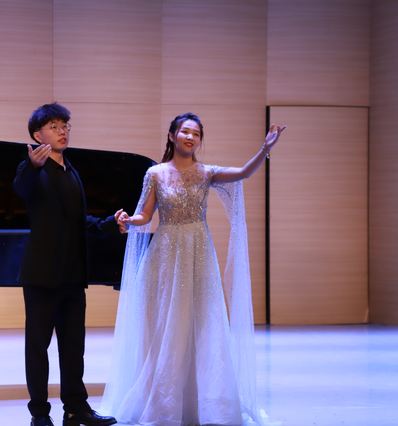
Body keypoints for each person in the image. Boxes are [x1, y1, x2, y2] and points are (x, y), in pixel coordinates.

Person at [100, 113, 286, 426]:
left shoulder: (206, 172)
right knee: (165, 322)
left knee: (201, 321)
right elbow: (145, 214)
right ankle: (163, 402)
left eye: (196, 133)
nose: (190, 137)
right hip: (165, 252)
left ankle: (198, 402)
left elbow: (243, 172)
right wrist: (130, 221)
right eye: (185, 131)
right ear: (172, 135)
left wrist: (265, 149)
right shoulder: (155, 174)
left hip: (199, 252)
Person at [13, 103, 121, 426]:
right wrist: (32, 166)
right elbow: (21, 189)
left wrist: (109, 224)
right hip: (42, 274)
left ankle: (76, 408)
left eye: (65, 126)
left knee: (74, 347)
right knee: (38, 347)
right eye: (55, 126)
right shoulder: (33, 169)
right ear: (38, 135)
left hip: (73, 275)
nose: (63, 131)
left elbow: (78, 221)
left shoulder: (71, 171)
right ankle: (39, 414)